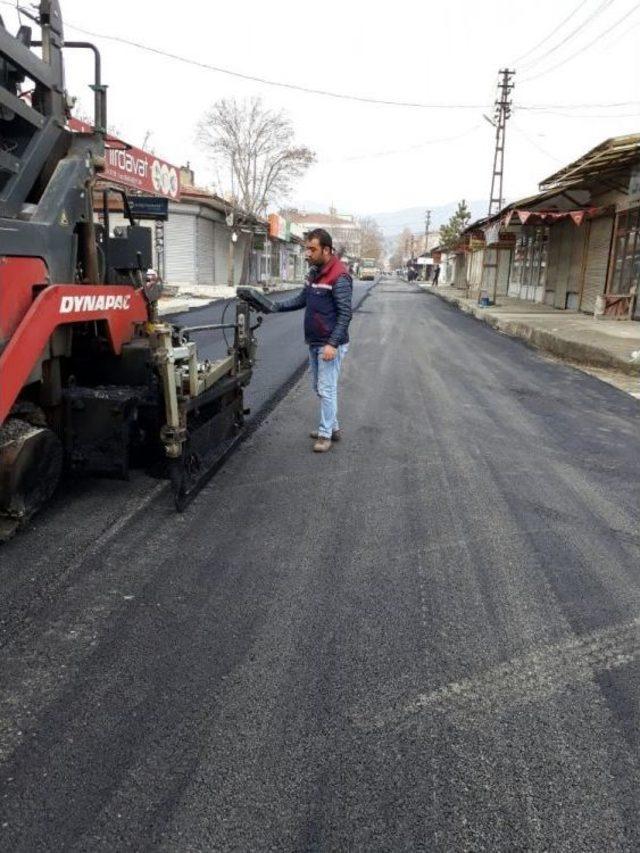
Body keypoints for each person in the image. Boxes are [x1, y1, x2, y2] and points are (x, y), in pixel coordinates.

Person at [273, 228, 352, 453]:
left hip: (329, 343)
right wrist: (274, 306)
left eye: (312, 249)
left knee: (326, 389)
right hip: (316, 341)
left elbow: (345, 314)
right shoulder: (315, 272)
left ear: (326, 250)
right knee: (319, 387)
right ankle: (332, 427)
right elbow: (301, 299)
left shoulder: (339, 276)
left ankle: (325, 434)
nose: (307, 253)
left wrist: (332, 344)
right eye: (307, 248)